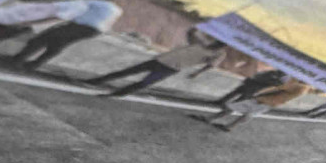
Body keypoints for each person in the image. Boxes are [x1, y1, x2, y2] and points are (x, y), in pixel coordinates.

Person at [95, 36, 243, 100]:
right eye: (218, 41)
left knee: (144, 83)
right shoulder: (201, 42)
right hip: (162, 60)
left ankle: (117, 94)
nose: (217, 44)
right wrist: (199, 29)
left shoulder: (219, 54)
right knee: (126, 72)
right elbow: (192, 34)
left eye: (221, 44)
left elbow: (210, 65)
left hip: (172, 67)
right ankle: (96, 81)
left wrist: (197, 73)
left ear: (223, 46)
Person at [209, 73, 310, 135]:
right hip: (268, 100)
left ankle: (216, 120)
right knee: (244, 112)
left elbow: (282, 87)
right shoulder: (300, 84)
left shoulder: (302, 87)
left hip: (267, 100)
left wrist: (259, 93)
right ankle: (225, 124)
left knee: (239, 109)